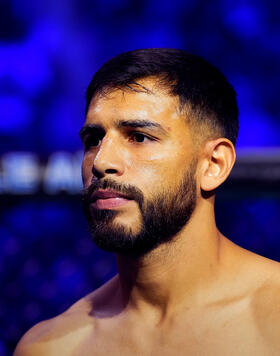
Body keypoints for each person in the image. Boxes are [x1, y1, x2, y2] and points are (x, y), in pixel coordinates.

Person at [14, 48, 280, 356]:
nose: (101, 162)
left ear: (213, 164)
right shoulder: (51, 347)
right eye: (93, 140)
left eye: (139, 137)